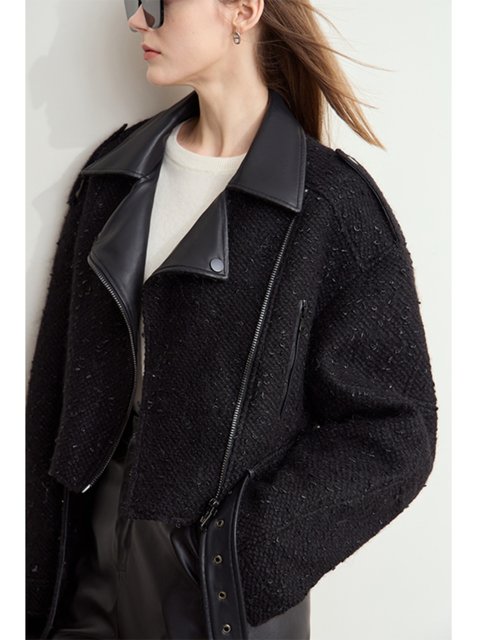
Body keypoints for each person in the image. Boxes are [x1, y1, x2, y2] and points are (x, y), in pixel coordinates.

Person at [26, 1, 439, 639]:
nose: (137, 20)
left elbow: (398, 429)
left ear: (242, 10)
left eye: (158, 1)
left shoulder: (330, 206)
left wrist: (243, 550)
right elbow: (52, 393)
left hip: (219, 604)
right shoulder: (115, 173)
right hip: (82, 582)